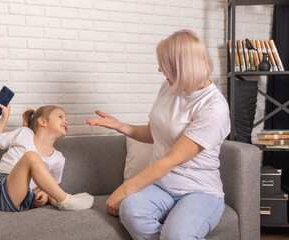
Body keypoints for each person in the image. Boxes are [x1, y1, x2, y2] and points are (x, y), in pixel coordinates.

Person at [86, 29, 230, 239]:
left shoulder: (213, 107)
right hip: (162, 187)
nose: (159, 69)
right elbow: (155, 134)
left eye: (164, 65)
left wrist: (124, 190)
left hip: (199, 191)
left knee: (176, 235)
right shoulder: (170, 86)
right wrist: (121, 126)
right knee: (131, 210)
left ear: (182, 67)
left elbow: (171, 159)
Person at [0, 104, 94, 212]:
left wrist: (44, 194)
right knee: (31, 156)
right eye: (60, 117)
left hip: (25, 200)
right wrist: (4, 118)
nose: (66, 122)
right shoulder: (24, 134)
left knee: (45, 189)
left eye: (66, 119)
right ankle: (65, 201)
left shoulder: (58, 158)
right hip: (0, 190)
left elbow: (47, 185)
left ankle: (54, 200)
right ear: (43, 122)